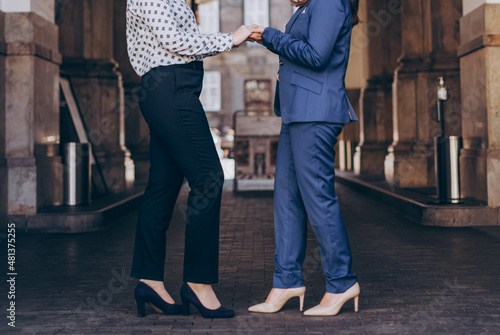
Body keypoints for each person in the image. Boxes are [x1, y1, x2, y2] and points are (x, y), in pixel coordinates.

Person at [126, 0, 251, 319]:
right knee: (208, 179)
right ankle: (198, 282)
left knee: (163, 187)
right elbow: (175, 41)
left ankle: (149, 281)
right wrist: (230, 38)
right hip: (170, 90)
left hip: (173, 90)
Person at [247, 0, 361, 316]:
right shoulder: (311, 5)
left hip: (316, 113)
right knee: (287, 199)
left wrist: (268, 36)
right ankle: (286, 282)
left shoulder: (328, 2)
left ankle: (341, 282)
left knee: (318, 200)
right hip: (298, 113)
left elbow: (316, 55)